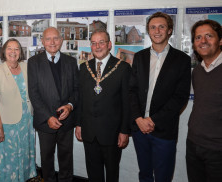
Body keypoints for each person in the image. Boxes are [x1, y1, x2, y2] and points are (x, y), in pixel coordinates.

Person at [129, 12, 191, 182]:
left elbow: (180, 97)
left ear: (169, 30)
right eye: (152, 27)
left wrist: (153, 120)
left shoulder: (182, 60)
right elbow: (132, 91)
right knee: (145, 174)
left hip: (163, 131)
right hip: (139, 129)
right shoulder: (140, 57)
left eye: (161, 26)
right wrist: (138, 119)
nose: (157, 31)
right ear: (148, 31)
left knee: (163, 176)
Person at [75, 29, 131, 182]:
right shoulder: (84, 68)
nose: (97, 46)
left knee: (112, 174)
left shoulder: (123, 68)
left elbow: (127, 102)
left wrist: (124, 131)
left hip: (112, 133)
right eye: (93, 43)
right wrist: (79, 124)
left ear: (109, 45)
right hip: (89, 132)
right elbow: (80, 99)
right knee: (93, 174)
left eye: (101, 42)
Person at [27, 27, 78, 182]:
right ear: (42, 41)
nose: (52, 42)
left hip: (66, 120)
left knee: (66, 158)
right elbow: (34, 93)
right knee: (46, 159)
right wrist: (48, 116)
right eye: (48, 39)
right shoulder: (33, 62)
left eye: (56, 38)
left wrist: (69, 106)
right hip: (45, 121)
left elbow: (76, 90)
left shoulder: (71, 61)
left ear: (61, 41)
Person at [0, 38, 37, 182]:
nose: (13, 52)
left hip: (27, 121)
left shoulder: (26, 67)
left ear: (20, 52)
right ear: (4, 51)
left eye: (16, 49)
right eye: (9, 48)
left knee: (25, 155)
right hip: (8, 125)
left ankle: (24, 178)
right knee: (9, 158)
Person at [186, 19, 222, 182]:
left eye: (209, 36)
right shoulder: (198, 72)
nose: (203, 41)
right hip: (194, 144)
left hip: (218, 150)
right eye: (198, 37)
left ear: (220, 40)